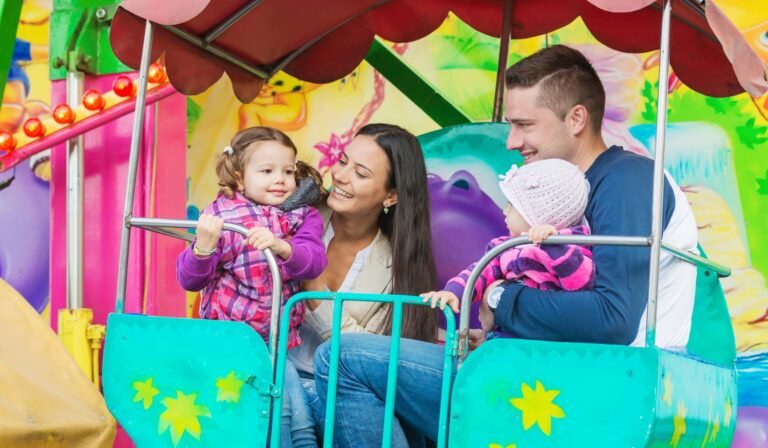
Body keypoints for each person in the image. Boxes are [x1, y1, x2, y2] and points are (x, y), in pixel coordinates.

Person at [313, 44, 699, 447]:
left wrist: (499, 300)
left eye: (524, 125)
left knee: (343, 359)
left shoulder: (627, 181)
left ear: (576, 119)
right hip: (545, 372)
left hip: (591, 390)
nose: (512, 141)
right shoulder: (575, 190)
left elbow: (612, 318)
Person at [288, 123, 439, 445]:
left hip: (339, 396)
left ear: (391, 195)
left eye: (361, 173)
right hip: (278, 378)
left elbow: (366, 358)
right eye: (342, 161)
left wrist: (312, 285)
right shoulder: (294, 216)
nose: (341, 176)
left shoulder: (398, 268)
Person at [175, 126, 327, 447]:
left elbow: (314, 261)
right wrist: (203, 247)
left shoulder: (301, 216)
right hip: (232, 342)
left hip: (278, 343)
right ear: (240, 178)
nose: (280, 179)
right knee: (265, 416)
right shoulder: (221, 216)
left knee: (297, 418)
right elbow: (190, 279)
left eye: (288, 171)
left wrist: (282, 246)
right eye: (267, 171)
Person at [421, 159, 595, 326]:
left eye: (511, 205)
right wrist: (454, 292)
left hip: (546, 340)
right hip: (507, 335)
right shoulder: (505, 247)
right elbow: (480, 271)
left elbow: (581, 285)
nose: (505, 211)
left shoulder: (571, 248)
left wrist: (554, 245)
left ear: (535, 214)